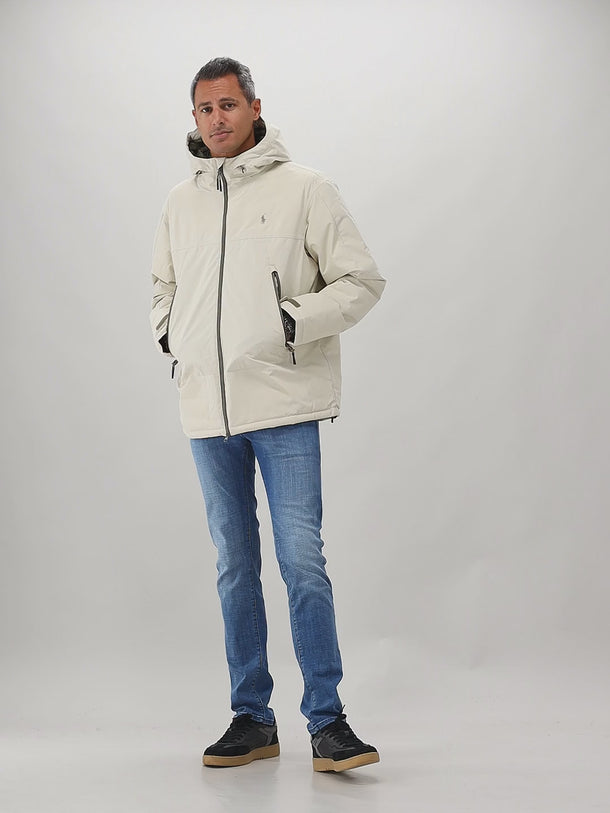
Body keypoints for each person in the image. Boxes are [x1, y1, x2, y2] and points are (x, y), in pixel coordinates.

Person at [150, 57, 385, 772]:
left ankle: (328, 720)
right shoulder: (180, 202)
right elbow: (163, 285)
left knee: (302, 561)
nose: (216, 119)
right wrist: (173, 336)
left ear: (255, 108)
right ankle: (252, 717)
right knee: (234, 567)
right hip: (207, 410)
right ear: (194, 119)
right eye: (204, 108)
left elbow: (361, 279)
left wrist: (291, 321)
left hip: (283, 403)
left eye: (228, 104)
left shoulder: (306, 188)